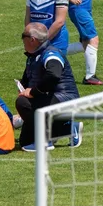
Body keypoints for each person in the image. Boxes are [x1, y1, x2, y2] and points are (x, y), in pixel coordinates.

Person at [17, 22, 81, 151]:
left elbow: (53, 75)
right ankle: (69, 128)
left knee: (23, 102)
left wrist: (34, 92)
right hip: (48, 99)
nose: (21, 39)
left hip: (65, 99)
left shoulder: (51, 54)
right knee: (25, 141)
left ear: (32, 39)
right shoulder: (33, 56)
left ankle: (45, 141)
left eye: (23, 35)